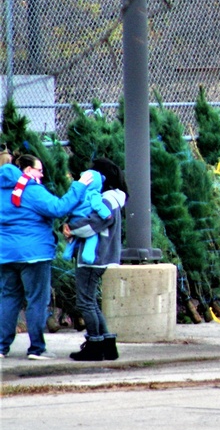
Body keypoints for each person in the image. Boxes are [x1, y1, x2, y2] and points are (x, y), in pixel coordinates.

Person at [0, 154, 91, 360]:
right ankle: (36, 348)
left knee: (8, 298)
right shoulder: (31, 191)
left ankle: (2, 347)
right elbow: (58, 208)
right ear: (27, 171)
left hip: (5, 254)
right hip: (34, 255)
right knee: (36, 301)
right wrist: (78, 186)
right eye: (38, 170)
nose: (41, 174)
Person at [64, 158, 128, 361]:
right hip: (104, 255)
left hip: (94, 257)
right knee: (90, 301)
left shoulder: (106, 199)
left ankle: (94, 345)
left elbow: (96, 222)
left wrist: (70, 228)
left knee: (85, 302)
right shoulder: (115, 197)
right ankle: (106, 344)